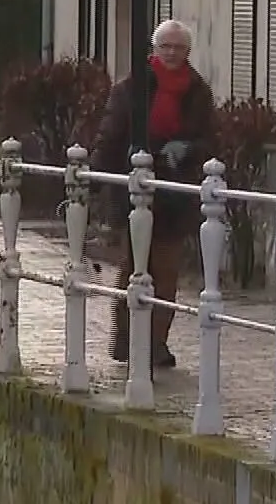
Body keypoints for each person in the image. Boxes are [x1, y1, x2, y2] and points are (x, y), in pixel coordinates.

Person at [92, 19, 216, 370]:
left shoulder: (198, 92)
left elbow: (210, 139)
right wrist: (94, 181)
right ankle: (125, 343)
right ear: (154, 49)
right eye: (166, 47)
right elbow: (110, 134)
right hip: (134, 190)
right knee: (132, 267)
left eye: (179, 48)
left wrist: (188, 149)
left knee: (166, 272)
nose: (172, 53)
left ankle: (156, 345)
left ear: (188, 52)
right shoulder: (131, 87)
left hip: (174, 193)